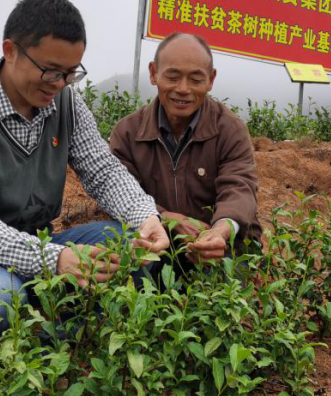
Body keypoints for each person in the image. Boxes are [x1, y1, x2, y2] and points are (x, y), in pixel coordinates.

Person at [0, 0, 169, 346]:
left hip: (43, 244)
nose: (59, 83)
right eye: (50, 71)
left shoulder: (64, 101)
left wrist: (145, 216)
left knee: (133, 247)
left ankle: (67, 356)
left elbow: (102, 169)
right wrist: (57, 259)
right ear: (10, 51)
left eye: (70, 73)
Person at [108, 32, 260, 267]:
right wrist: (167, 218)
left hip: (222, 248)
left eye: (196, 79)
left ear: (211, 79)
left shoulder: (229, 128)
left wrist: (220, 232)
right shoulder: (128, 133)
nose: (183, 89)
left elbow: (239, 187)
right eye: (173, 76)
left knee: (224, 290)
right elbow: (121, 194)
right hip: (157, 244)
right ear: (153, 73)